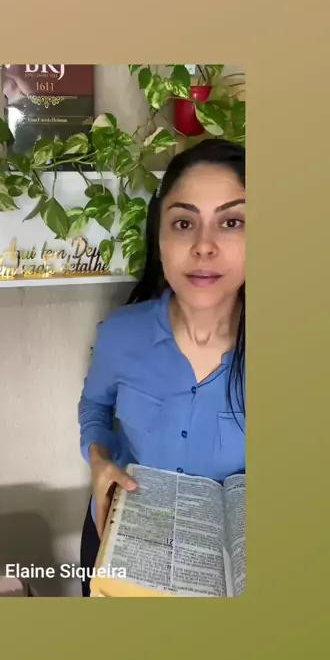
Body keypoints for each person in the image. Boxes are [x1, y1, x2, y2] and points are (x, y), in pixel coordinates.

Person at [77, 138, 246, 596]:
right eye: (184, 223)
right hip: (124, 543)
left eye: (232, 222)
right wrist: (99, 460)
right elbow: (94, 405)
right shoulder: (121, 332)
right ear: (160, 238)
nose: (204, 246)